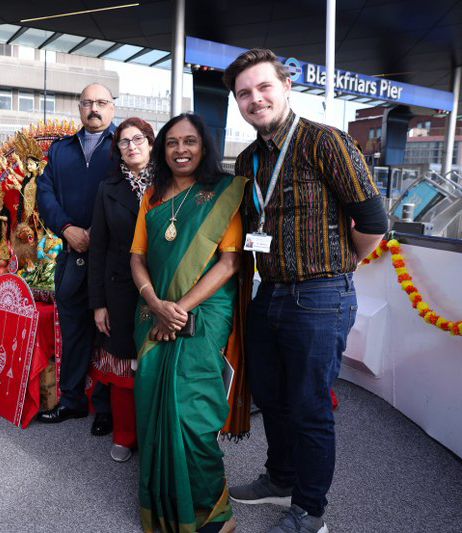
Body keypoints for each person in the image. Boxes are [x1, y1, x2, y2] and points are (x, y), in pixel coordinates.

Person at [222, 48, 388, 533]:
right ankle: (281, 478)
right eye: (244, 93)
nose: (255, 99)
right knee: (270, 397)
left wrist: (343, 264)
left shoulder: (325, 142)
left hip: (319, 296)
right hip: (269, 292)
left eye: (264, 87)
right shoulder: (247, 160)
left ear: (286, 87)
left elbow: (373, 221)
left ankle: (310, 511)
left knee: (309, 406)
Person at [129, 113, 250, 533]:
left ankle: (214, 514)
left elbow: (230, 262)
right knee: (152, 400)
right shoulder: (152, 196)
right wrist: (155, 303)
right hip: (153, 310)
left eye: (190, 141)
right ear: (162, 150)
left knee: (192, 412)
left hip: (204, 311)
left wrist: (176, 309)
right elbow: (137, 257)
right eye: (172, 142)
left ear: (204, 146)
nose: (181, 150)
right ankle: (164, 503)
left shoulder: (223, 194)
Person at [35, 82, 116, 435]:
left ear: (112, 108)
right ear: (79, 108)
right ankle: (71, 400)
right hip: (71, 254)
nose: (94, 108)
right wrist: (67, 228)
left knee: (108, 332)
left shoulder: (122, 144)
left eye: (101, 102)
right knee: (73, 328)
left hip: (110, 258)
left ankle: (106, 407)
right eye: (87, 103)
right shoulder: (61, 150)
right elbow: (45, 194)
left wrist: (98, 233)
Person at [88, 117, 155, 463]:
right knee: (125, 364)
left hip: (163, 286)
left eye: (138, 139)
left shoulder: (171, 184)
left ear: (151, 143)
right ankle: (125, 435)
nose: (132, 146)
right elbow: (98, 248)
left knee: (156, 362)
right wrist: (99, 303)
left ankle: (154, 435)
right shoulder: (108, 188)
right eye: (124, 141)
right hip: (120, 289)